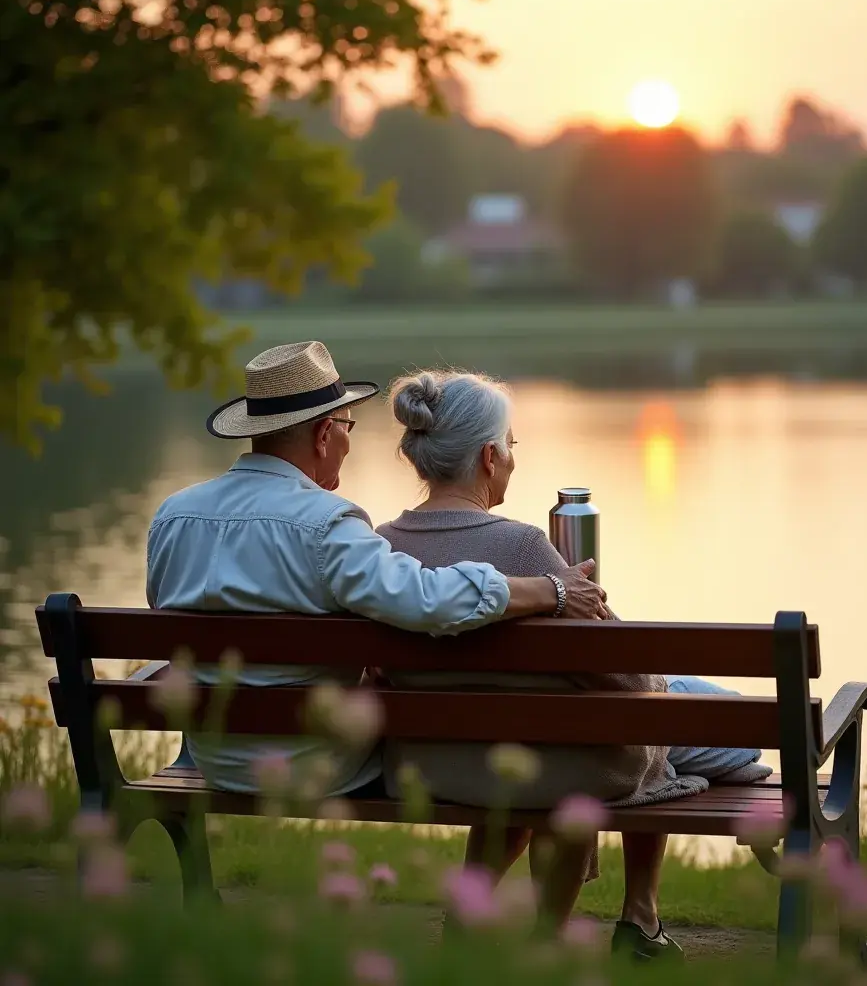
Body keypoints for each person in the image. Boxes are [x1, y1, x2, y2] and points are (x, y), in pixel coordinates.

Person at [374, 370, 773, 959]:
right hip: (554, 764)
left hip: (438, 763)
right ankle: (638, 920)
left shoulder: (384, 546)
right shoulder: (526, 548)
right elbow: (628, 680)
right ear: (488, 457)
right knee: (727, 735)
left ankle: (481, 925)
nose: (513, 459)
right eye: (511, 445)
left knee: (607, 720)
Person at [146, 342, 608, 800]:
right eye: (347, 427)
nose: (348, 442)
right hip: (314, 764)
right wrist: (554, 591)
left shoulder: (173, 516)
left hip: (213, 758)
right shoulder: (326, 525)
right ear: (325, 434)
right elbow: (428, 599)